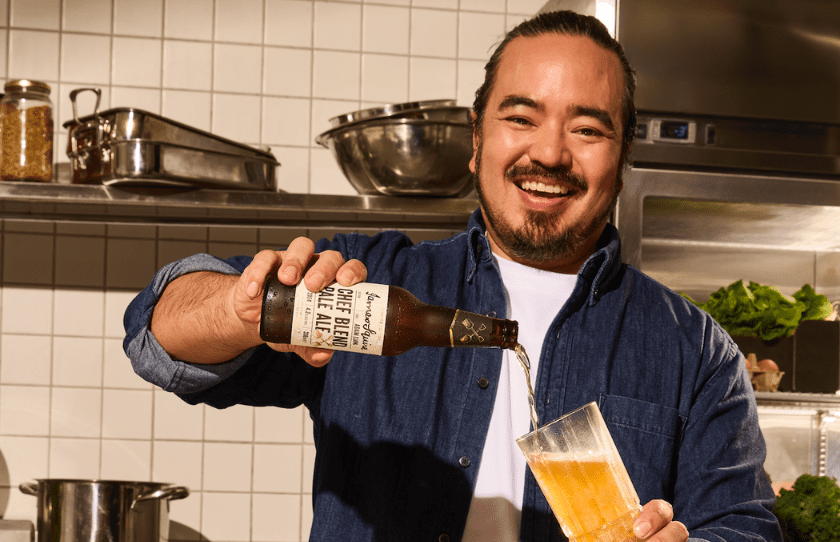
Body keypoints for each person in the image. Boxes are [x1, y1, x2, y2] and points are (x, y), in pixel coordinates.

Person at [124, 10, 782, 542]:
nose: (549, 153)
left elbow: (744, 527)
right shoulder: (367, 282)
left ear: (624, 154)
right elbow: (156, 335)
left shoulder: (695, 351)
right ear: (476, 138)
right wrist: (243, 308)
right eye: (521, 118)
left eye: (588, 129)